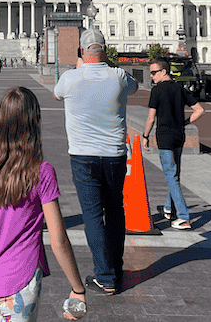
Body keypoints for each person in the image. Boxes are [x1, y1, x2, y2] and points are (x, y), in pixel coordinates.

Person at [0, 87, 88, 321]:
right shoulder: (41, 172)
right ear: (33, 123)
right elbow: (58, 239)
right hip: (22, 280)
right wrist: (78, 288)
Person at [53, 28, 137, 296]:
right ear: (105, 49)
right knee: (115, 211)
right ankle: (115, 268)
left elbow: (57, 94)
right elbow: (134, 86)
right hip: (114, 155)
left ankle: (105, 276)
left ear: (81, 51)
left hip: (83, 155)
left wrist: (80, 68)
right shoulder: (119, 76)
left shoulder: (70, 78)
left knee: (92, 215)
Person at [141, 58, 205, 229]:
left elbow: (151, 117)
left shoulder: (157, 91)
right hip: (179, 136)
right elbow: (199, 110)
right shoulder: (179, 88)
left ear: (163, 71)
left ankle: (183, 217)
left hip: (164, 137)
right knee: (174, 174)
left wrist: (145, 135)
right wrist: (185, 123)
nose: (152, 76)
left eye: (154, 72)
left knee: (171, 176)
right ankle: (169, 208)